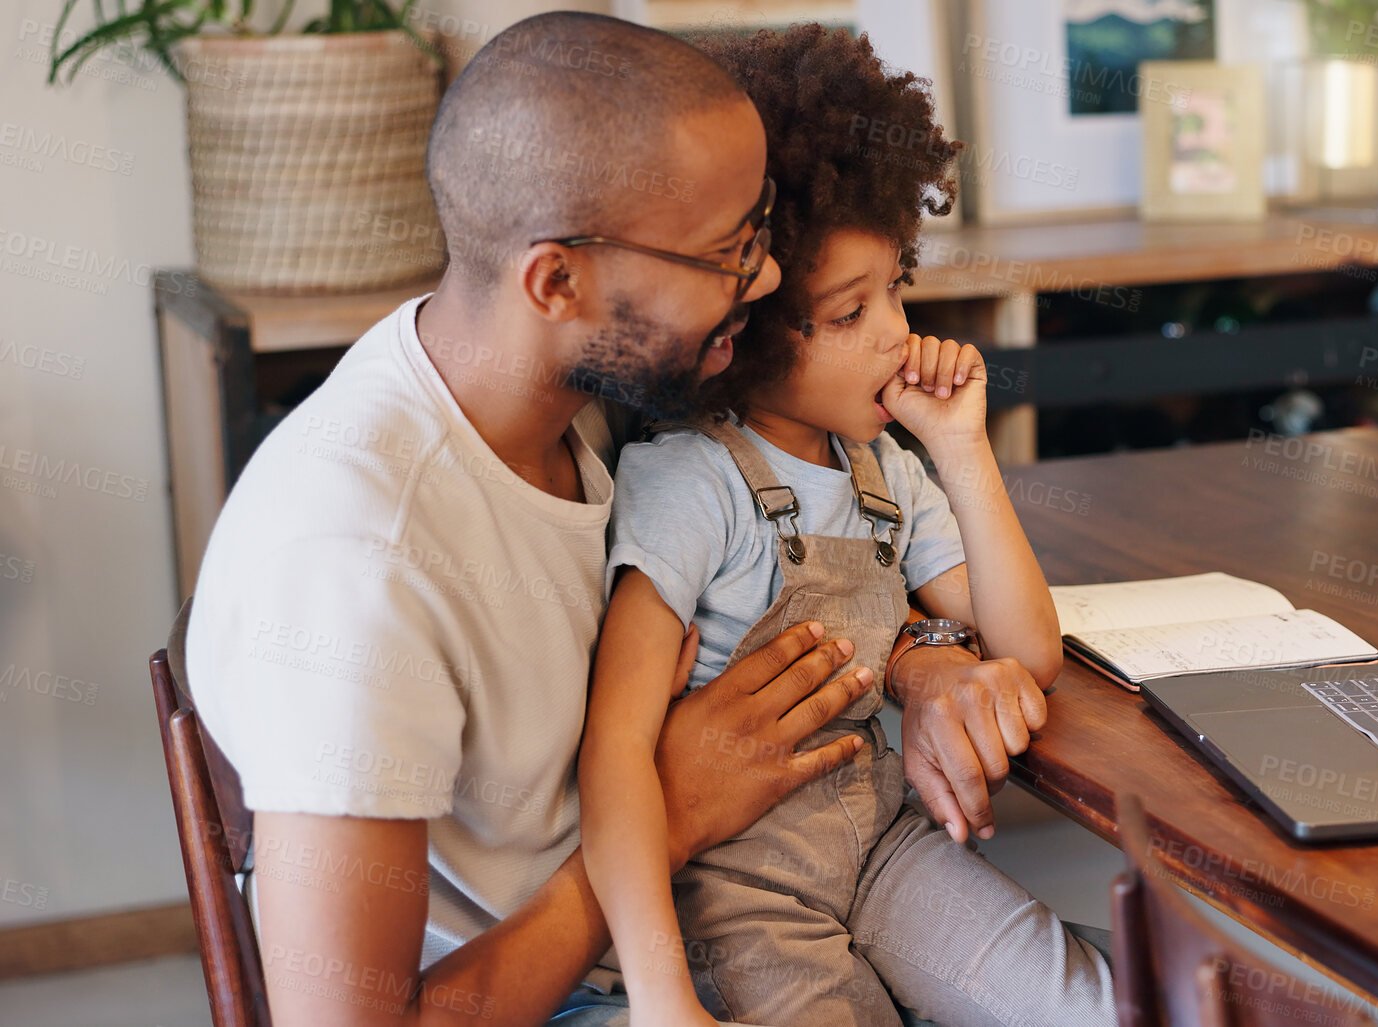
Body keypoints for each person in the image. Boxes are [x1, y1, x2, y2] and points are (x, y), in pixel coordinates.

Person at [183, 14, 987, 1024]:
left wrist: (922, 651)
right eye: (730, 250)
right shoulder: (356, 564)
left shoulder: (597, 396)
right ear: (557, 280)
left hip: (730, 909)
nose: (770, 276)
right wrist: (671, 815)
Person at [578, 25, 1115, 1027]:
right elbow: (613, 754)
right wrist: (661, 998)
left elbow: (1028, 647)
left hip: (884, 851)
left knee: (1098, 1003)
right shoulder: (687, 483)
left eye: (897, 291)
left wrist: (963, 448)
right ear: (747, 331)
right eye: (850, 312)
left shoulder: (887, 472)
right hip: (742, 898)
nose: (898, 335)